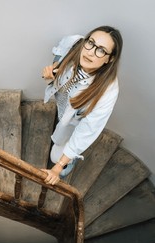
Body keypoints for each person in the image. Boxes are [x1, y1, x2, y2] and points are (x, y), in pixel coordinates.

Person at [41, 25, 123, 185]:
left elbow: (87, 131)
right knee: (60, 126)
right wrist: (49, 76)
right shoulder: (72, 44)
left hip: (74, 122)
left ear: (109, 59)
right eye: (91, 43)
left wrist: (58, 167)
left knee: (56, 157)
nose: (91, 52)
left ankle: (68, 166)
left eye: (101, 50)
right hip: (63, 109)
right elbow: (59, 56)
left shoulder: (107, 91)